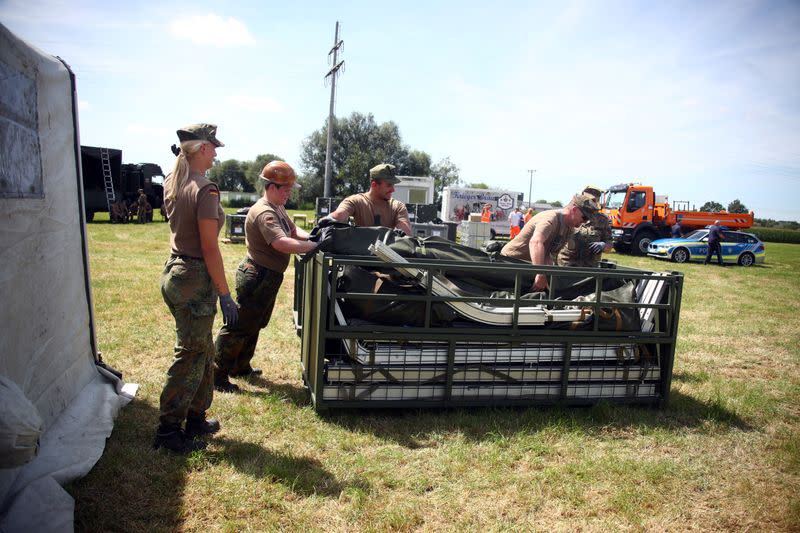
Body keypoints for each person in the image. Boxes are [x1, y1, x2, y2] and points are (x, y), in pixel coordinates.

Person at [155, 123, 239, 454]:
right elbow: (209, 248)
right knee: (191, 353)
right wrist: (224, 292)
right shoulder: (206, 189)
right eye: (213, 147)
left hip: (177, 272)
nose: (216, 154)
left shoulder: (173, 181)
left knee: (203, 349)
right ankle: (168, 430)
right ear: (202, 148)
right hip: (194, 277)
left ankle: (195, 418)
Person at [213, 161, 318, 393]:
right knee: (239, 325)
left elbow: (292, 231)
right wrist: (313, 246)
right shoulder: (264, 212)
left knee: (255, 323)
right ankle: (216, 373)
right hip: (257, 275)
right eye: (286, 189)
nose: (289, 194)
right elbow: (280, 242)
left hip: (268, 276)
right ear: (271, 187)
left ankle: (240, 366)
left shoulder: (278, 207)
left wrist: (312, 236)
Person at [500, 193, 599, 291]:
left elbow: (548, 252)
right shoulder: (549, 219)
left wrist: (547, 274)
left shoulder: (569, 228)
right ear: (574, 210)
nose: (585, 222)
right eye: (585, 217)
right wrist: (540, 274)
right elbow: (536, 242)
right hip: (510, 263)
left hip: (529, 267)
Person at [324, 164, 412, 234]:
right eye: (389, 185)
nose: (393, 189)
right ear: (374, 185)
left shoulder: (398, 207)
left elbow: (405, 233)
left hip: (388, 255)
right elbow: (339, 214)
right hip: (360, 255)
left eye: (393, 185)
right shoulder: (356, 201)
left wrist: (400, 233)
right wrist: (326, 221)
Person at [557, 185, 613, 267]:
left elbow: (609, 244)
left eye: (593, 200)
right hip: (566, 266)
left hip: (590, 268)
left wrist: (603, 245)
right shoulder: (571, 214)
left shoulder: (603, 220)